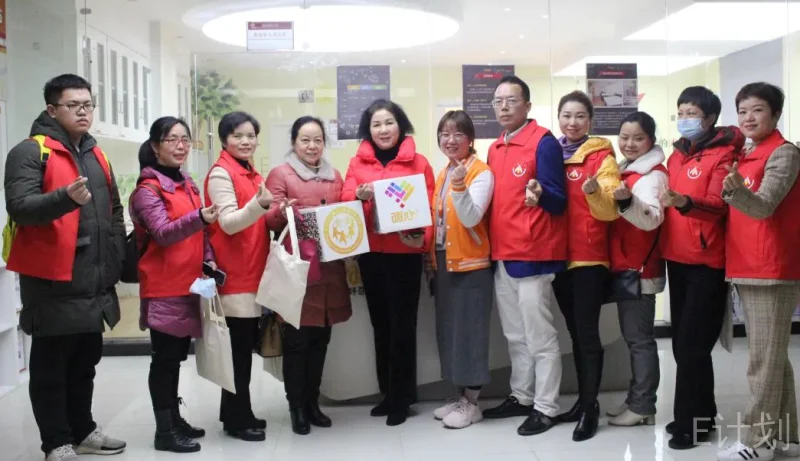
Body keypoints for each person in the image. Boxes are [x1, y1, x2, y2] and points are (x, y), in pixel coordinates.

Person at [3, 74, 126, 461]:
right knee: (51, 369)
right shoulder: (29, 152)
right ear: (52, 110)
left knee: (85, 364)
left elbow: (114, 211)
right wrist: (64, 198)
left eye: (88, 104)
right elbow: (20, 208)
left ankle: (83, 430)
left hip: (93, 280)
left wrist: (115, 256)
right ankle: (56, 442)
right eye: (73, 105)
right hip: (52, 282)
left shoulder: (96, 153)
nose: (83, 111)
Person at [716, 83, 800, 461]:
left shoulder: (783, 153)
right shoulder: (747, 154)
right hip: (748, 265)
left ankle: (756, 442)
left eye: (758, 110)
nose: (748, 118)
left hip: (771, 269)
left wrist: (735, 191)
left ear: (776, 114)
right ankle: (788, 437)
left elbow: (764, 206)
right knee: (773, 359)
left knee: (762, 363)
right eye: (743, 111)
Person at [482, 76, 568, 438]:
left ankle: (546, 407)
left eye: (511, 100)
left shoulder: (543, 143)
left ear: (527, 106)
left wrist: (540, 194)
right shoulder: (494, 148)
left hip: (534, 256)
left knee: (539, 337)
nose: (504, 107)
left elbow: (560, 201)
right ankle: (522, 396)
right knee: (515, 335)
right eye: (498, 101)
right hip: (502, 255)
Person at [658, 86, 743, 450]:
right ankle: (701, 415)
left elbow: (720, 204)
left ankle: (690, 425)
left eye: (691, 113)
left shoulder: (724, 154)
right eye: (680, 113)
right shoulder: (677, 154)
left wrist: (685, 202)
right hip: (677, 259)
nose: (684, 119)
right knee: (683, 344)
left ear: (709, 118)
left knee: (693, 346)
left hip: (707, 263)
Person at [341, 99, 434, 426]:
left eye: (389, 123)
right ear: (368, 130)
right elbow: (345, 201)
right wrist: (358, 197)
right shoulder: (356, 164)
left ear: (401, 125)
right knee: (380, 326)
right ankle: (388, 393)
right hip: (371, 256)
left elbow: (429, 208)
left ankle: (402, 398)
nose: (383, 130)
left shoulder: (419, 162)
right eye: (376, 124)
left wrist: (421, 239)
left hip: (404, 256)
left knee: (403, 328)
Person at [129, 117, 219, 454]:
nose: (181, 146)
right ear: (155, 146)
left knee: (176, 359)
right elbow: (164, 233)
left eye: (185, 139)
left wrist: (209, 260)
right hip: (163, 286)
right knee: (164, 360)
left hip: (189, 284)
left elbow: (201, 232)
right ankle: (164, 431)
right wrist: (200, 217)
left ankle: (174, 419)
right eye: (172, 139)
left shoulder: (187, 184)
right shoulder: (146, 191)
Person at [265, 116, 353, 435]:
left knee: (320, 340)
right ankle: (296, 406)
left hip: (329, 269)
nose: (312, 146)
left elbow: (345, 217)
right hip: (298, 270)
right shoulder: (281, 174)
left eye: (317, 140)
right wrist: (280, 211)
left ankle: (313, 402)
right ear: (294, 142)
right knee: (297, 342)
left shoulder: (335, 176)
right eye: (305, 140)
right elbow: (270, 221)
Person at [551, 90, 621, 442]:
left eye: (580, 116)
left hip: (589, 258)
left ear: (590, 121)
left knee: (587, 334)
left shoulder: (601, 157)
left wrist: (593, 191)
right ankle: (583, 401)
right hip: (556, 256)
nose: (573, 122)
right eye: (567, 115)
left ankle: (590, 408)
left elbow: (610, 211)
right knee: (575, 333)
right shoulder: (550, 153)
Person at [204, 111, 275, 442]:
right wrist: (260, 205)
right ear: (224, 140)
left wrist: (271, 208)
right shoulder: (222, 173)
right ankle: (237, 419)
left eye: (250, 135)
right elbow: (229, 223)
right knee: (237, 354)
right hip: (234, 276)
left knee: (242, 350)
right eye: (237, 136)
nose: (246, 141)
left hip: (252, 272)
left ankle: (236, 412)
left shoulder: (248, 171)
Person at [428, 111, 494, 430]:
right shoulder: (444, 172)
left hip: (471, 265)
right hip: (445, 262)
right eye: (444, 134)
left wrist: (459, 186)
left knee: (471, 332)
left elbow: (470, 218)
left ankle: (472, 402)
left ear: (470, 139)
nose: (450, 140)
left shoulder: (480, 173)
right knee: (450, 331)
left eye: (458, 134)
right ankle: (459, 396)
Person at [606, 111, 667, 427]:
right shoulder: (627, 170)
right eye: (625, 137)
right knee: (634, 339)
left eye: (638, 138)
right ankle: (636, 399)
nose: (629, 144)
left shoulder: (652, 176)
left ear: (651, 140)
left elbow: (652, 219)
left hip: (640, 270)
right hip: (628, 266)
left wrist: (627, 202)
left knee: (640, 340)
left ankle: (643, 404)